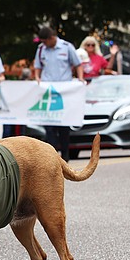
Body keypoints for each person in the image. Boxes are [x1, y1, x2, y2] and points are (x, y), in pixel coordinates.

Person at [33, 26, 84, 161]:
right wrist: (37, 78)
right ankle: (53, 156)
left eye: (45, 41)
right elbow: (38, 67)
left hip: (64, 90)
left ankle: (65, 155)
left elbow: (77, 64)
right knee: (49, 126)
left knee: (63, 125)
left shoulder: (67, 47)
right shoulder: (41, 49)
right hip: (48, 90)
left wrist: (80, 78)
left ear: (51, 38)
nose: (44, 44)